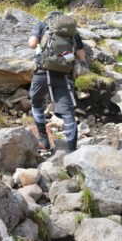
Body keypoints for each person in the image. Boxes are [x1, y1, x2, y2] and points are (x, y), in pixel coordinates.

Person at [28, 11, 86, 153]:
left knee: (36, 103)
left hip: (41, 72)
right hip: (62, 75)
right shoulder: (72, 32)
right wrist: (64, 57)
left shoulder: (42, 25)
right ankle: (72, 151)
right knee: (68, 112)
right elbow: (81, 56)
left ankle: (43, 139)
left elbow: (32, 44)